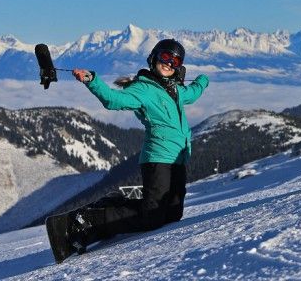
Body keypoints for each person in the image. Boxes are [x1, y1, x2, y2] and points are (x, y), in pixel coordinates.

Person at [45, 39, 209, 263]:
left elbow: (193, 92)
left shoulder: (176, 90)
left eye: (175, 60)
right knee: (152, 216)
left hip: (177, 159)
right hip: (158, 157)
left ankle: (113, 203)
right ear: (154, 58)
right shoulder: (143, 89)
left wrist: (203, 80)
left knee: (173, 213)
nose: (169, 63)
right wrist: (92, 80)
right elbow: (114, 100)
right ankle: (85, 221)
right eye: (165, 57)